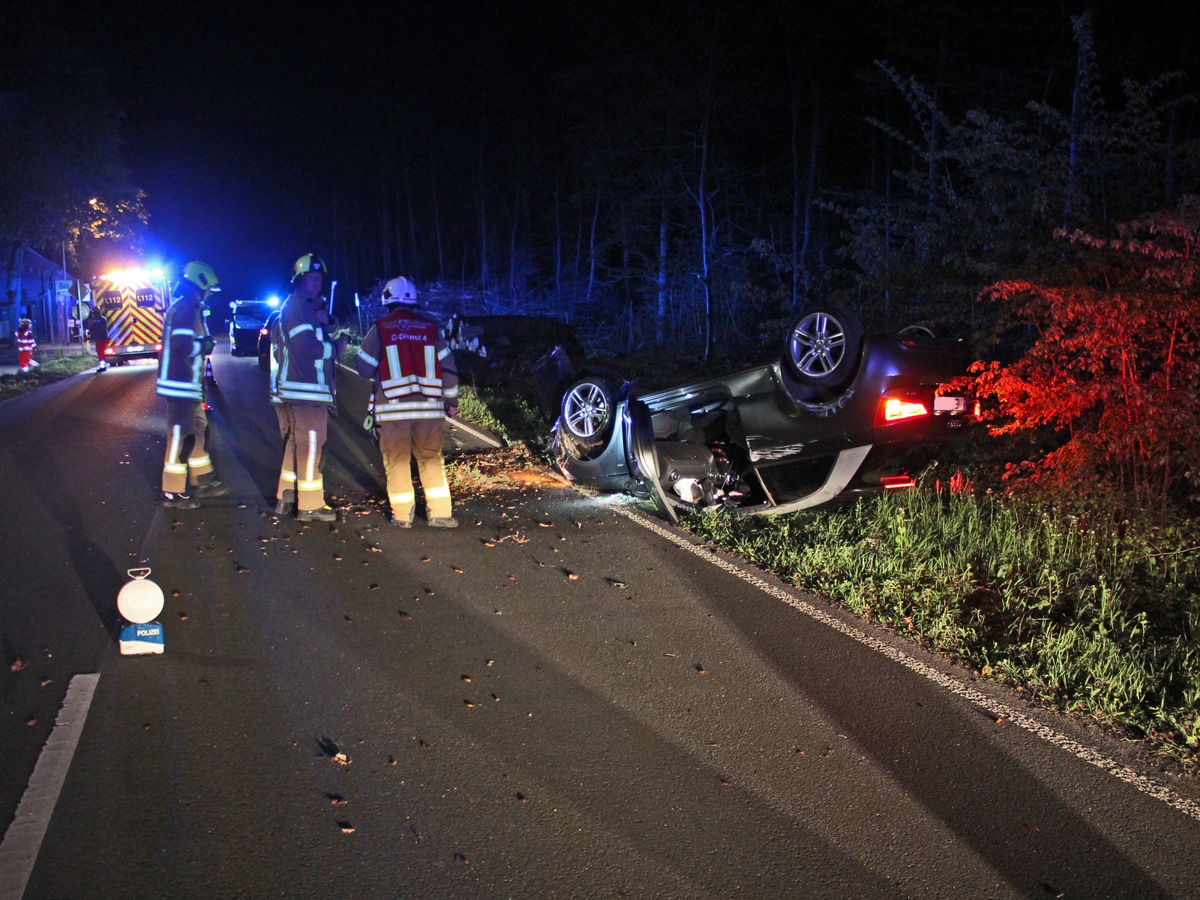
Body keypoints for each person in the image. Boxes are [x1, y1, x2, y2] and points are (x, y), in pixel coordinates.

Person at [354, 276, 459, 528]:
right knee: (431, 458)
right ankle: (441, 514)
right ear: (414, 302)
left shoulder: (380, 328)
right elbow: (449, 368)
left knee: (398, 461)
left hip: (393, 411)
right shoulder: (430, 329)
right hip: (429, 410)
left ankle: (402, 516)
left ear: (388, 301)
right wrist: (452, 400)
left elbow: (363, 368)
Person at [275, 253, 346, 522]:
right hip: (306, 389)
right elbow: (305, 346)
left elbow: (319, 327)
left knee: (297, 444)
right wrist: (337, 348)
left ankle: (287, 497)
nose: (316, 283)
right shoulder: (295, 307)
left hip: (304, 389)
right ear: (299, 280)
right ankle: (310, 505)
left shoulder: (306, 307)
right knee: (312, 445)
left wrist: (329, 322)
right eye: (310, 278)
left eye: (319, 278)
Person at [155, 261, 228, 509]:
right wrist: (204, 346)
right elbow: (181, 346)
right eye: (208, 289)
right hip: (180, 384)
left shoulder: (191, 307)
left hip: (189, 384)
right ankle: (172, 492)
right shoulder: (186, 309)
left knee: (199, 429)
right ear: (200, 284)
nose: (209, 293)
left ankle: (202, 480)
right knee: (179, 436)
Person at [86, 306, 110, 371]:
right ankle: (103, 366)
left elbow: (96, 329)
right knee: (101, 352)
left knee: (100, 352)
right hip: (102, 338)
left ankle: (103, 367)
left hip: (100, 339)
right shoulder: (103, 319)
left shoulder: (95, 320)